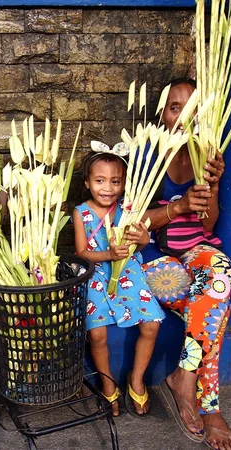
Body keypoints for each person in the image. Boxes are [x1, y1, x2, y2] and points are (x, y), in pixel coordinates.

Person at [141, 78, 231, 450]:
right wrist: (178, 206)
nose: (183, 116)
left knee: (220, 273)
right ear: (162, 114)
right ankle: (210, 408)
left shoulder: (209, 155)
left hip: (195, 251)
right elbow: (134, 223)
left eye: (192, 108)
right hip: (153, 256)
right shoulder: (146, 154)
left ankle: (184, 374)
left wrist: (211, 190)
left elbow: (209, 225)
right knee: (214, 308)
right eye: (174, 107)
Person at [72, 151, 165, 418]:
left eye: (115, 181)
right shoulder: (81, 213)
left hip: (128, 271)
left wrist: (145, 239)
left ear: (123, 184)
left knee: (152, 323)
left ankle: (136, 379)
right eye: (100, 181)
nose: (108, 188)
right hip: (95, 272)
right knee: (97, 333)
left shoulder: (128, 208)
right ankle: (108, 384)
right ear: (88, 182)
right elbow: (81, 253)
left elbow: (142, 243)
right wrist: (109, 255)